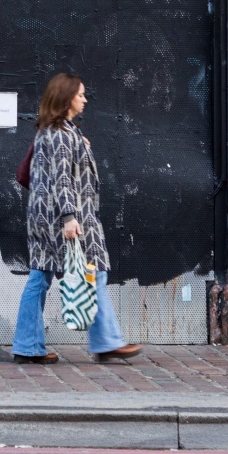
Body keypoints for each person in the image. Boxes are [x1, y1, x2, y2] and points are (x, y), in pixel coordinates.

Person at [11, 72, 142, 364]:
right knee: (94, 271)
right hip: (67, 215)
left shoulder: (52, 131)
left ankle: (27, 346)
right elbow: (62, 180)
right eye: (80, 95)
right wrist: (69, 216)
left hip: (43, 216)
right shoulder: (61, 135)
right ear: (66, 98)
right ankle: (106, 341)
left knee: (40, 275)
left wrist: (79, 145)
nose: (85, 99)